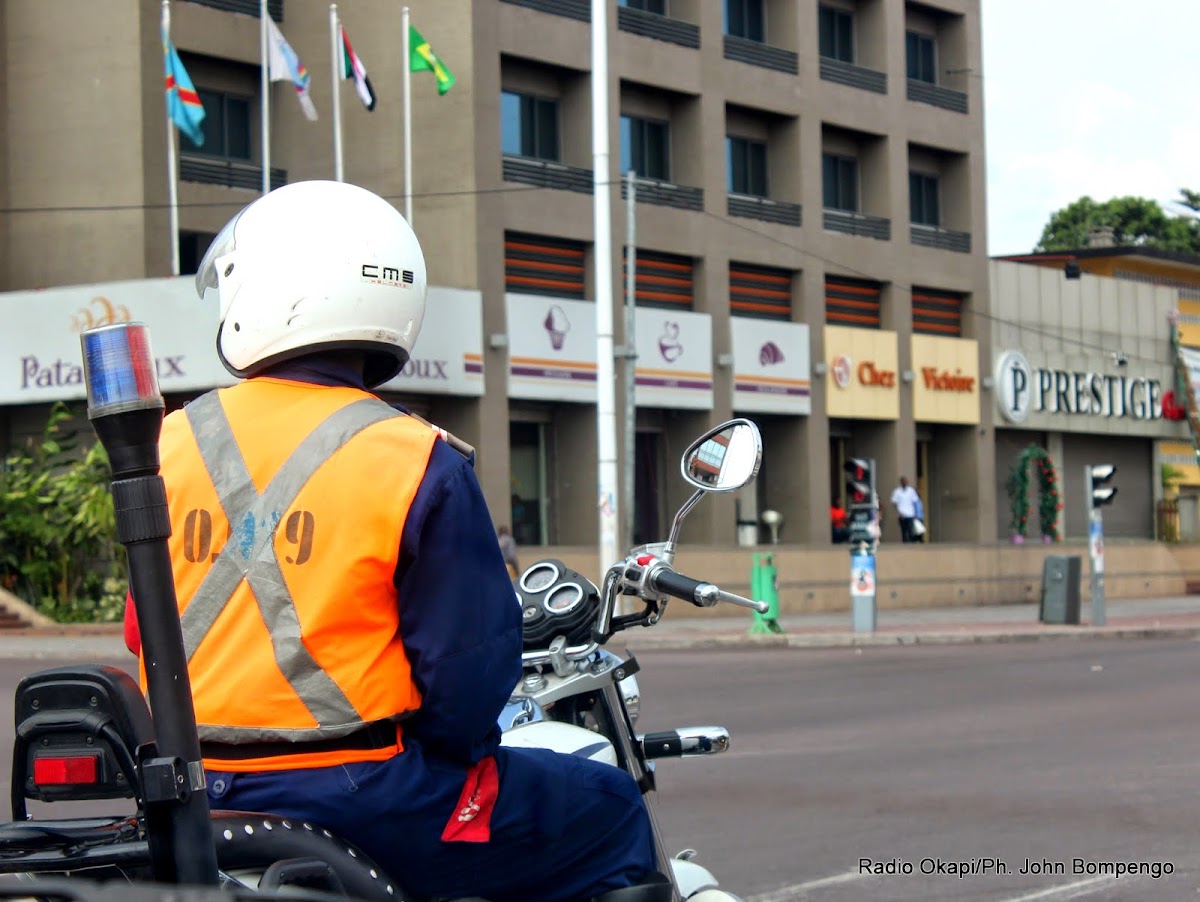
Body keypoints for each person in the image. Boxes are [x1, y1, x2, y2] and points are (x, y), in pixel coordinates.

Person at [122, 181, 656, 902]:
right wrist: (452, 760)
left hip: (188, 794)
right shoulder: (416, 458)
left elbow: (142, 630)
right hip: (364, 796)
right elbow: (466, 677)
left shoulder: (166, 442)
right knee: (609, 805)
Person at [891, 476, 921, 543]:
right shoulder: (897, 491)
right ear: (900, 482)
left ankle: (911, 544)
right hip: (901, 514)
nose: (904, 483)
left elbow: (915, 502)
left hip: (910, 514)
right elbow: (894, 503)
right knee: (904, 530)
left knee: (911, 530)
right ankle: (905, 545)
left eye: (905, 481)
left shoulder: (911, 491)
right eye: (903, 481)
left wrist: (916, 513)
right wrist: (899, 512)